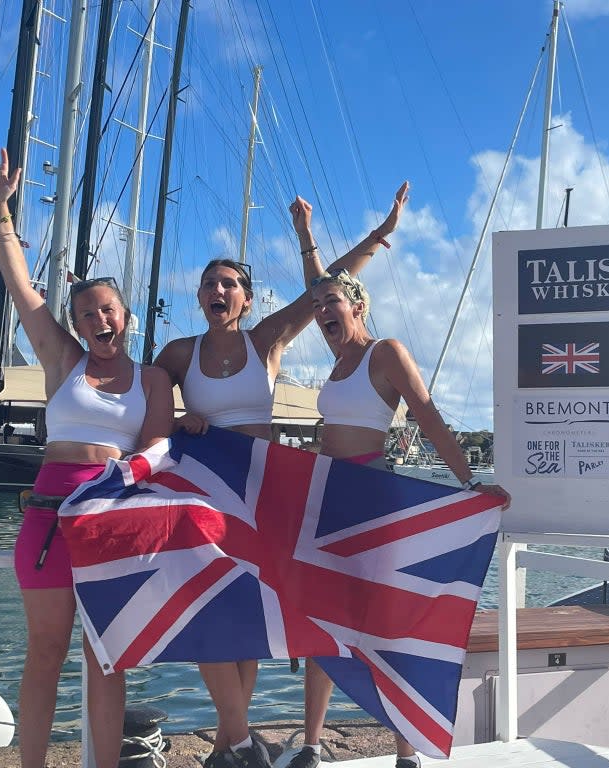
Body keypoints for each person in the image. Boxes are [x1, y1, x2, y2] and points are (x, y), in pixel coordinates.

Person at [155, 182, 410, 768]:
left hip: (264, 494)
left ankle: (231, 746)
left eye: (230, 284)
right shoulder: (176, 353)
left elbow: (328, 287)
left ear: (245, 298)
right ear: (198, 296)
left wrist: (379, 233)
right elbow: (140, 410)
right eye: (210, 284)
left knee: (247, 620)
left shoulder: (265, 339)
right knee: (208, 611)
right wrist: (177, 415)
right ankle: (237, 739)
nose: (219, 291)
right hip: (206, 496)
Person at [285, 196, 511, 768]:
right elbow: (321, 285)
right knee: (320, 622)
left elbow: (429, 415)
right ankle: (312, 743)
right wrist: (304, 229)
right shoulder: (336, 357)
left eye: (331, 305)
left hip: (372, 494)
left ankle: (405, 749)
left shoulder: (384, 353)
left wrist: (469, 483)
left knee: (383, 622)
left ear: (357, 305)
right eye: (318, 310)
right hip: (326, 496)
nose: (321, 315)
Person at [0, 146, 174, 768]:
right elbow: (20, 285)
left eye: (107, 309)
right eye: (87, 314)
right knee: (45, 650)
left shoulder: (154, 380)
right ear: (79, 326)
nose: (97, 320)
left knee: (105, 654)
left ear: (126, 317)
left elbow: (161, 446)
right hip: (47, 516)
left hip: (111, 516)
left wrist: (132, 471)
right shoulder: (63, 361)